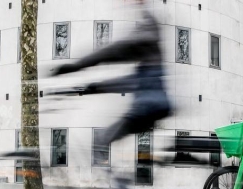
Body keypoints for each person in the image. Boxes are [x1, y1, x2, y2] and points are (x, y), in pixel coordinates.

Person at [52, 0, 170, 148]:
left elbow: (117, 50)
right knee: (105, 138)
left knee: (101, 140)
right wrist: (93, 88)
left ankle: (110, 171)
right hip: (152, 107)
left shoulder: (147, 31)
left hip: (147, 108)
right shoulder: (149, 63)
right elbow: (132, 81)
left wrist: (78, 66)